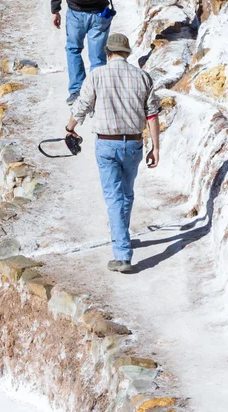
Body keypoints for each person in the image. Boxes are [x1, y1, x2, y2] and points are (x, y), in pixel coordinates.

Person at [65, 33, 160, 274]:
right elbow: (152, 114)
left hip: (107, 145)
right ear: (127, 53)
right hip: (134, 145)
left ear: (108, 53)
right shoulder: (143, 77)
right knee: (126, 195)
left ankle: (122, 254)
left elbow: (82, 107)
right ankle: (123, 238)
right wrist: (155, 148)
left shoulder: (96, 75)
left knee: (114, 197)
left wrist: (69, 129)